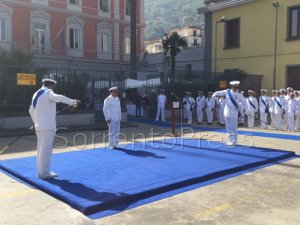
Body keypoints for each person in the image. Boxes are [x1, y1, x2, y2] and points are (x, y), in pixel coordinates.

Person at [29, 78, 80, 179]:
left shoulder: (36, 94)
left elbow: (31, 110)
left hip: (39, 126)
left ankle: (41, 171)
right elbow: (59, 97)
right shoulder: (48, 92)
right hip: (47, 126)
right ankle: (44, 173)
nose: (53, 89)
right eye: (53, 87)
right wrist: (73, 102)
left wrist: (36, 122)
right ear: (51, 85)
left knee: (41, 149)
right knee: (46, 150)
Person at [212, 81, 249, 146]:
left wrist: (246, 110)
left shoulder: (239, 94)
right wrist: (214, 95)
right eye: (234, 87)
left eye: (236, 87)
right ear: (231, 87)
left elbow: (244, 101)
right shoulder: (227, 92)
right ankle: (229, 140)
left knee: (233, 127)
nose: (235, 88)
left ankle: (234, 140)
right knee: (228, 127)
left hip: (234, 112)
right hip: (227, 112)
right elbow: (219, 92)